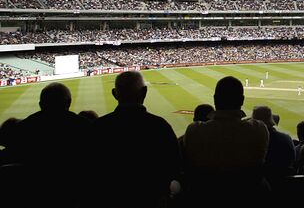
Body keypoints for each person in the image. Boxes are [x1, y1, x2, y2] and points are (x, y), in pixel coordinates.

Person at [92, 71, 180, 208]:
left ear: (114, 94)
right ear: (144, 92)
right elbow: (174, 164)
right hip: (150, 199)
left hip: (109, 200)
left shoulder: (98, 127)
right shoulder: (159, 126)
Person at [183, 76, 269, 202]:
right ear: (242, 100)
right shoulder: (259, 129)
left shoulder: (194, 130)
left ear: (215, 99)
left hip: (205, 197)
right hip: (249, 196)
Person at [14, 82, 92, 207]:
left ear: (41, 104)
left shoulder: (24, 127)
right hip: (76, 194)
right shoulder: (84, 126)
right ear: (69, 102)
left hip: (34, 195)